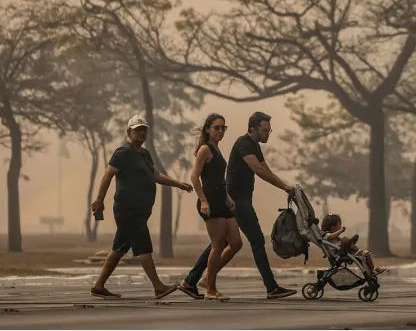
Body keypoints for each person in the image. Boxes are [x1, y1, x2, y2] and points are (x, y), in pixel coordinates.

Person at [178, 111, 297, 300]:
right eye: (265, 130)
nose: (268, 134)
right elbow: (257, 170)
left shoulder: (250, 146)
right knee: (254, 240)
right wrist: (203, 200)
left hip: (229, 199)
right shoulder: (242, 145)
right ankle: (271, 287)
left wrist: (286, 186)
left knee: (226, 243)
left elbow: (265, 168)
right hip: (235, 199)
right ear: (253, 129)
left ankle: (194, 280)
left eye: (223, 128)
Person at [90, 115, 194, 299]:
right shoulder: (121, 153)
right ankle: (158, 286)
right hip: (128, 208)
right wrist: (99, 200)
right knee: (144, 246)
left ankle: (99, 285)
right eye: (138, 129)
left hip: (141, 208)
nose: (141, 132)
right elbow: (107, 176)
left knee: (119, 248)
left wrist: (179, 184)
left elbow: (156, 175)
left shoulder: (144, 154)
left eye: (144, 129)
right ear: (129, 132)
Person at [190, 113, 242, 301]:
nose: (220, 131)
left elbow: (219, 179)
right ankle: (210, 288)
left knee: (236, 243)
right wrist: (203, 200)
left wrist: (228, 197)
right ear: (208, 129)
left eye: (223, 128)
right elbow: (195, 177)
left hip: (222, 199)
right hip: (210, 200)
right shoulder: (205, 149)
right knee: (217, 244)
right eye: (217, 128)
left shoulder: (217, 149)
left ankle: (206, 278)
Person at [320, 213, 386, 276]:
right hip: (339, 252)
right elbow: (331, 237)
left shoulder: (334, 237)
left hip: (343, 249)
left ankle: (372, 270)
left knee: (366, 255)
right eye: (339, 225)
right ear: (333, 228)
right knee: (345, 239)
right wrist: (341, 231)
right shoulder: (326, 235)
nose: (340, 227)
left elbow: (336, 238)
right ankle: (352, 246)